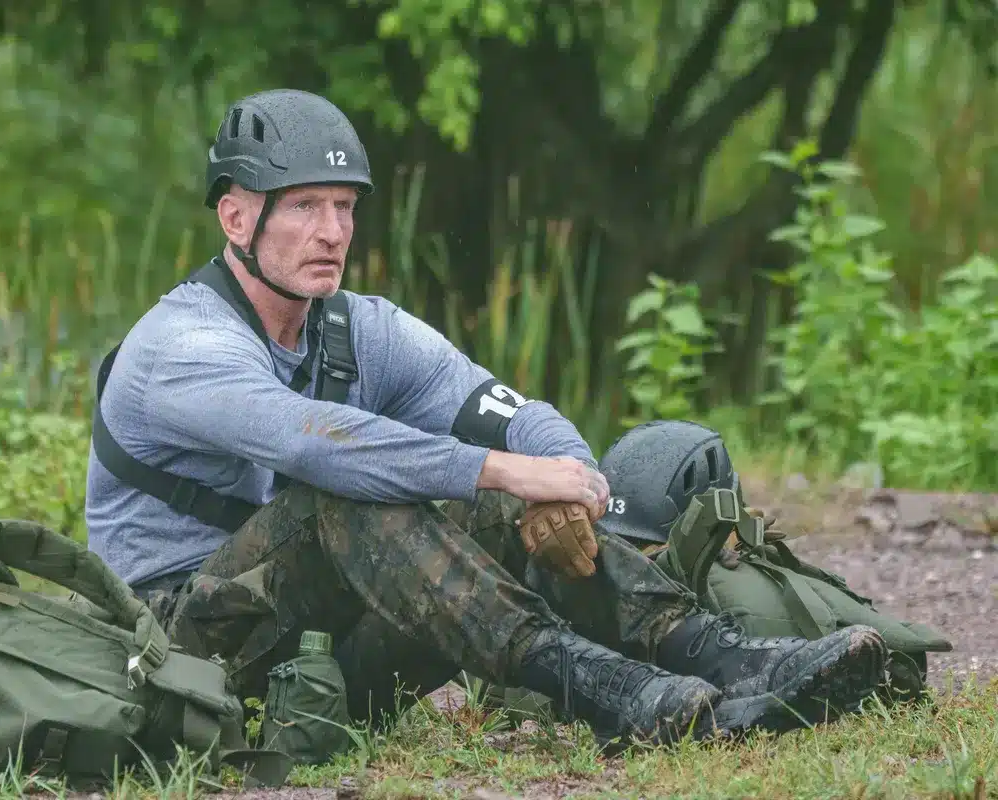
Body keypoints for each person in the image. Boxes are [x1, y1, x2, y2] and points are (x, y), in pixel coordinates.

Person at [83, 88, 888, 750]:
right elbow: (318, 445)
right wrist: (501, 471)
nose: (332, 232)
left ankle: (725, 661)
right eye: (303, 207)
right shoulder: (181, 347)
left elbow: (513, 415)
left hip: (319, 663)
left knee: (501, 498)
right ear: (235, 220)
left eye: (344, 206)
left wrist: (567, 487)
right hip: (180, 659)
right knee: (352, 493)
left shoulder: (358, 327)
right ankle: (619, 694)